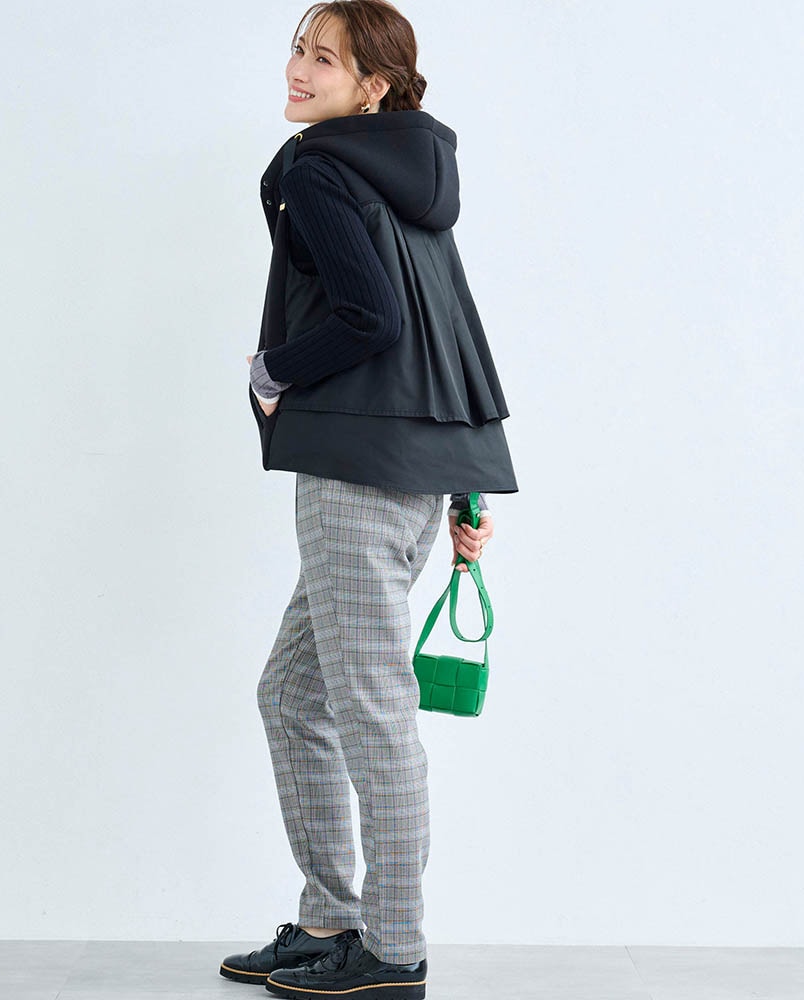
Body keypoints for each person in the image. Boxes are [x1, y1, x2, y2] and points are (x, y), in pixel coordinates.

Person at [222, 3, 516, 997]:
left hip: (355, 471)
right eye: (296, 50)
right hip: (417, 469)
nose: (298, 70)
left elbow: (374, 318)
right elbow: (448, 329)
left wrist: (270, 372)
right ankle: (328, 918)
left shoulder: (319, 169)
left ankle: (392, 949)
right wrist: (466, 487)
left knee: (371, 711)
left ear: (372, 86)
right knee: (292, 692)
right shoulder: (409, 173)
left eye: (324, 58)